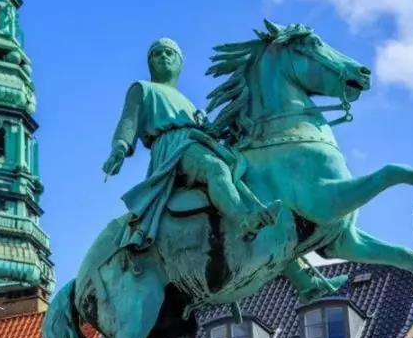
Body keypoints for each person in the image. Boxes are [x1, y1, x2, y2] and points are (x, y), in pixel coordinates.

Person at [103, 37, 283, 250]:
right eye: (157, 53)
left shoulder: (188, 102)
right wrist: (120, 148)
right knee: (215, 168)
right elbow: (128, 121)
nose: (163, 56)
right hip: (173, 146)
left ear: (180, 63)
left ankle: (259, 215)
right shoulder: (142, 88)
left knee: (241, 169)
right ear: (150, 63)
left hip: (198, 142)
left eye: (169, 53)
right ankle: (244, 220)